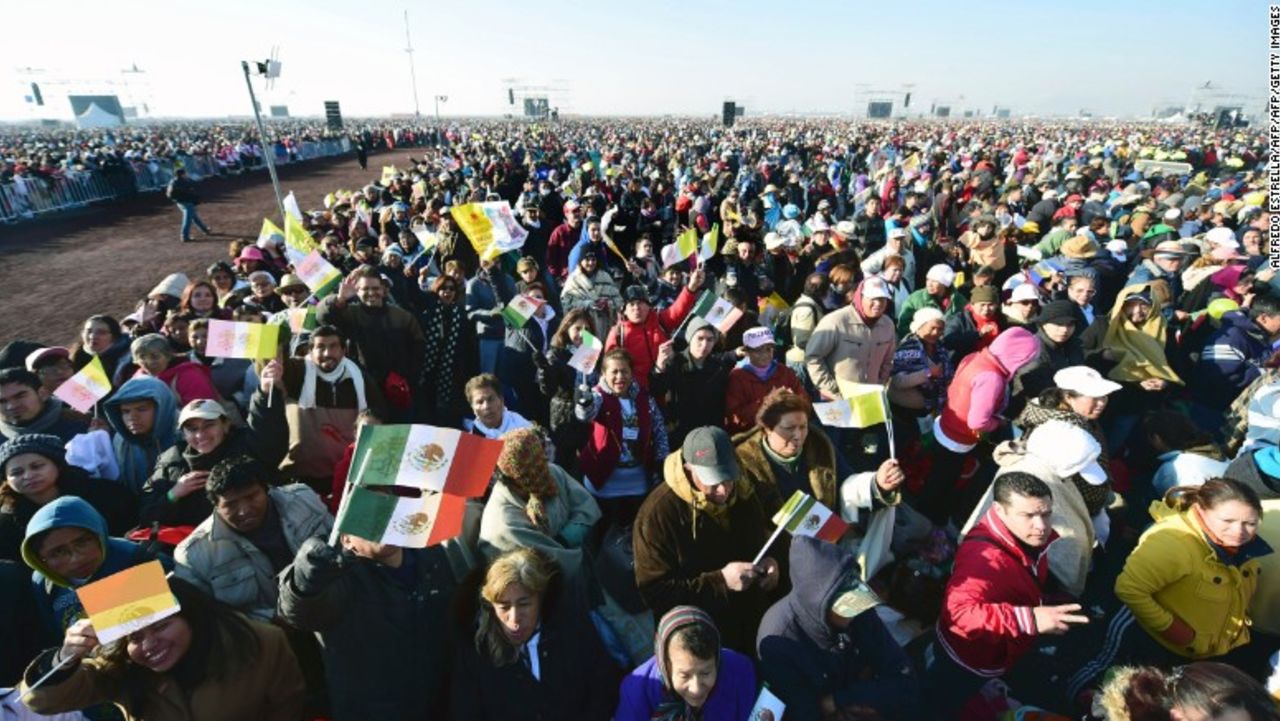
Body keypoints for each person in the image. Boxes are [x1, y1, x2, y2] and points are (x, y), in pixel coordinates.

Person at [1068, 479, 1273, 699]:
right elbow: (1129, 589)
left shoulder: (1240, 547)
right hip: (1147, 641)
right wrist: (1173, 630)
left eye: (1250, 523)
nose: (1239, 531)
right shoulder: (1173, 543)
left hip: (1194, 652)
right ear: (1201, 511)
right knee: (1102, 683)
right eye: (1228, 520)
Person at [22, 577, 305, 721]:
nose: (149, 645)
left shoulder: (261, 642)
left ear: (191, 617)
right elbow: (41, 702)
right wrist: (65, 658)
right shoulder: (122, 668)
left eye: (160, 627)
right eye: (134, 637)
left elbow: (289, 711)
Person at [931, 473, 1089, 716]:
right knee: (943, 705)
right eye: (1028, 515)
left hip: (996, 650)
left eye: (1046, 514)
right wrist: (1030, 619)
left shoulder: (1024, 538)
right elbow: (959, 612)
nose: (1041, 525)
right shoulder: (985, 561)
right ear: (999, 510)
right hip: (969, 659)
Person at [277, 529, 460, 721]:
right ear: (345, 538)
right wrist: (305, 578)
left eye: (390, 514)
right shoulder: (334, 578)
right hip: (373, 710)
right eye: (369, 519)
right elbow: (299, 613)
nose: (384, 526)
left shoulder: (431, 554)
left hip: (439, 698)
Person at [632, 426, 782, 654]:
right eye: (712, 481)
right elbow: (655, 593)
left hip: (754, 626)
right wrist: (720, 581)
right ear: (688, 469)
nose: (723, 489)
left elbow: (768, 531)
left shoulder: (746, 485)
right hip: (700, 642)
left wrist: (772, 561)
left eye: (728, 477)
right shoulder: (656, 515)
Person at [735, 388, 905, 580]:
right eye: (789, 428)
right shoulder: (744, 462)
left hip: (827, 546)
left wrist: (878, 484)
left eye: (803, 427)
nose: (798, 435)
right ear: (767, 429)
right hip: (779, 561)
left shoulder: (820, 444)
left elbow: (846, 484)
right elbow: (746, 525)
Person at [758, 535, 919, 720]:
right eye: (846, 604)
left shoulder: (861, 614)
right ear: (818, 602)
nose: (856, 609)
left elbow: (904, 678)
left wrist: (839, 700)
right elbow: (802, 714)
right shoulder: (778, 641)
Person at [450, 547, 618, 721]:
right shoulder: (476, 653)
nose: (514, 619)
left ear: (540, 598)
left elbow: (603, 689)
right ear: (491, 606)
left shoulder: (573, 629)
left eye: (524, 604)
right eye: (504, 607)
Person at [174, 455, 332, 620]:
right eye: (230, 505)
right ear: (215, 506)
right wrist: (271, 620)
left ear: (267, 490)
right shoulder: (193, 554)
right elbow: (203, 616)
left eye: (251, 497)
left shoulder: (303, 498)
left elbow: (341, 543)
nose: (244, 510)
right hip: (268, 634)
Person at [920, 327, 1041, 527]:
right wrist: (999, 422)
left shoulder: (976, 356)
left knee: (935, 474)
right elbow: (977, 422)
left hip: (947, 423)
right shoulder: (991, 378)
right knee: (942, 482)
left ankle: (926, 510)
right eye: (1025, 360)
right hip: (958, 438)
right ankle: (930, 520)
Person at [139, 367, 286, 529]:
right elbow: (148, 515)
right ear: (183, 433)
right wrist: (174, 493)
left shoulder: (248, 447)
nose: (200, 435)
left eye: (208, 425)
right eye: (192, 429)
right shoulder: (171, 461)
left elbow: (267, 425)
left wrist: (265, 391)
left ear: (226, 425)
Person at [21, 497, 171, 647]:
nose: (76, 558)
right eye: (58, 552)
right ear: (40, 559)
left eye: (82, 542)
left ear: (99, 534)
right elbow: (54, 638)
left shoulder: (139, 561)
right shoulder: (44, 582)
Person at [479, 427, 601, 588]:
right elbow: (548, 565)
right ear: (517, 477)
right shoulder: (503, 524)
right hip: (544, 592)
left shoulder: (552, 473)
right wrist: (569, 544)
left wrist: (569, 535)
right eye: (536, 467)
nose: (544, 467)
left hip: (579, 575)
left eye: (542, 460)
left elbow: (587, 506)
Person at [273, 326, 384, 493]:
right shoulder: (297, 372)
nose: (327, 353)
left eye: (333, 346)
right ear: (310, 350)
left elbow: (378, 417)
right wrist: (277, 341)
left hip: (347, 475)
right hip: (301, 477)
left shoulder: (360, 379)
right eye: (320, 347)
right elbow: (271, 367)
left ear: (343, 350)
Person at [0, 434, 136, 562]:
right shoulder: (7, 523)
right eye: (17, 473)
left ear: (57, 465)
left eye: (37, 467)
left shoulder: (106, 494)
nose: (28, 476)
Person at [615, 606, 757, 721]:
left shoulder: (740, 670)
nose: (696, 689)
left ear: (717, 659)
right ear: (665, 663)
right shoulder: (635, 692)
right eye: (684, 675)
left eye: (706, 673)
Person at [575, 350, 669, 525]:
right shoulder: (597, 395)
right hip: (604, 481)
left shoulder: (644, 397)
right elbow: (585, 416)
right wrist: (584, 402)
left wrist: (662, 459)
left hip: (638, 481)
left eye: (624, 371)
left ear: (631, 373)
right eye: (614, 372)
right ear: (604, 374)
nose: (620, 377)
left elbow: (659, 430)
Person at [316, 266, 425, 416]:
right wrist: (340, 299)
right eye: (365, 289)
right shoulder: (349, 314)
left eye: (375, 288)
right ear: (357, 291)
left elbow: (418, 349)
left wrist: (407, 379)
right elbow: (322, 317)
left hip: (397, 389)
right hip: (363, 388)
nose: (371, 293)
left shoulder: (403, 317)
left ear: (384, 290)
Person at [603, 269, 705, 394]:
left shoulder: (659, 321)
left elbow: (678, 309)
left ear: (648, 306)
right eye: (631, 304)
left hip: (664, 387)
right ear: (624, 310)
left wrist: (691, 288)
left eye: (640, 303)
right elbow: (609, 367)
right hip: (635, 393)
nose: (636, 308)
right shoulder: (618, 334)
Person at [648, 317, 738, 450]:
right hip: (680, 435)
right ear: (690, 338)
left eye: (710, 339)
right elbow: (657, 390)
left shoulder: (718, 367)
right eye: (700, 338)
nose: (704, 344)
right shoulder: (675, 363)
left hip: (709, 436)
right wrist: (660, 365)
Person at [804, 277, 896, 401]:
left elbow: (888, 360)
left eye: (882, 299)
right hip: (837, 399)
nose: (878, 304)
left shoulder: (887, 325)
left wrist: (880, 383)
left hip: (870, 400)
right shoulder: (836, 321)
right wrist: (831, 388)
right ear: (860, 297)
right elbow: (813, 356)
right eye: (873, 299)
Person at [1197, 294, 1280, 414]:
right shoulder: (1232, 337)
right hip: (1210, 408)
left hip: (1227, 408)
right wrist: (1265, 370)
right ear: (1263, 318)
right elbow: (1220, 378)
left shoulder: (1259, 338)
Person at [416, 274, 478, 427]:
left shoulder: (461, 316)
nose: (447, 292)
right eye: (443, 288)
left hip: (453, 374)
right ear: (436, 290)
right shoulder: (426, 313)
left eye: (451, 289)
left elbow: (470, 349)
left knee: (449, 417)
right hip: (428, 372)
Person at [100, 377, 178, 497]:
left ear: (161, 407)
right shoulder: (121, 441)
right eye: (126, 411)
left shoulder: (185, 434)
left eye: (142, 409)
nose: (132, 417)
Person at [723, 327, 808, 434]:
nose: (765, 355)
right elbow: (734, 418)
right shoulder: (737, 377)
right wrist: (769, 401)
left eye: (768, 349)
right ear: (747, 352)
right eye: (758, 350)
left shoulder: (785, 372)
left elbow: (804, 401)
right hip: (752, 435)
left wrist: (791, 400)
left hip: (786, 431)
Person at [128, 334, 219, 408]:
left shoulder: (189, 375)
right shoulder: (138, 378)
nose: (149, 362)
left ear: (168, 356)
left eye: (155, 356)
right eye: (142, 357)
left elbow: (203, 410)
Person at [0, 369, 89, 444]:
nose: (11, 406)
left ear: (42, 394)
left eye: (20, 396)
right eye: (2, 401)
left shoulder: (82, 424)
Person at [560, 252, 622, 343]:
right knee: (589, 353)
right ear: (581, 261)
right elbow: (566, 303)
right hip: (584, 328)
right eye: (587, 260)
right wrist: (588, 304)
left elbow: (618, 300)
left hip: (605, 326)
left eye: (593, 260)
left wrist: (607, 304)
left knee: (606, 351)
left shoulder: (605, 277)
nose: (591, 263)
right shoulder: (573, 280)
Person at [896, 264, 967, 336]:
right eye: (928, 280)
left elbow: (966, 324)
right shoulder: (916, 299)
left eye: (935, 281)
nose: (929, 284)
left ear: (945, 284)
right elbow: (903, 325)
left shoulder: (958, 300)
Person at [942, 285, 1004, 362]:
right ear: (972, 305)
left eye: (990, 305)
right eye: (982, 305)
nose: (986, 309)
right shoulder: (959, 320)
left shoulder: (1002, 320)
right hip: (966, 364)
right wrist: (978, 334)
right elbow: (948, 341)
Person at [462, 374, 532, 439]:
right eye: (480, 402)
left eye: (491, 399)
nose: (486, 406)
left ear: (501, 400)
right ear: (472, 408)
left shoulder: (524, 428)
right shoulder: (470, 442)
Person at [166, 168, 211, 243]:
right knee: (188, 219)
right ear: (182, 174)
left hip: (179, 202)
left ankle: (204, 229)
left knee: (193, 216)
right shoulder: (184, 182)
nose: (186, 174)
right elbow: (194, 187)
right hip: (187, 202)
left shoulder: (173, 181)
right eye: (185, 173)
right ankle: (184, 236)